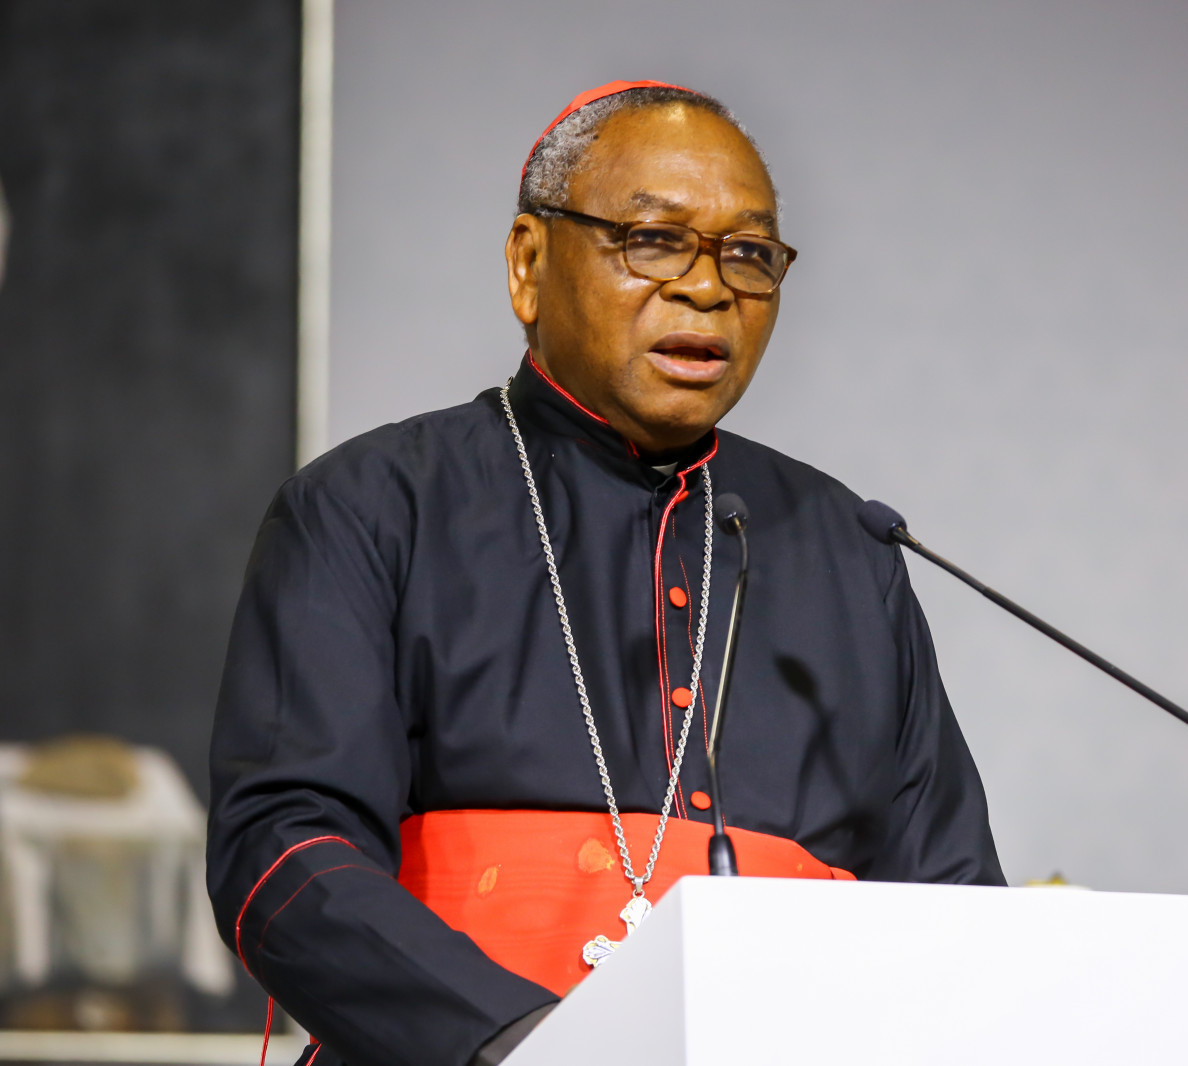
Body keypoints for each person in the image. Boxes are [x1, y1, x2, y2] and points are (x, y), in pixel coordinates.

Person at [207, 81, 1002, 1066]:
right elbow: (283, 849)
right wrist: (522, 1047)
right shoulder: (370, 507)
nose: (708, 288)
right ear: (529, 263)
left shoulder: (847, 549)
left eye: (749, 254)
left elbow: (953, 910)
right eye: (654, 240)